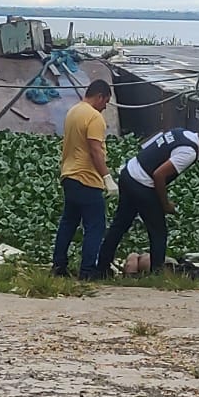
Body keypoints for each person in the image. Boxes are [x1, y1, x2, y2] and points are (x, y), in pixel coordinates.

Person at [96, 129, 199, 277]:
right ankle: (156, 274)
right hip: (142, 183)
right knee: (158, 231)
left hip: (129, 173)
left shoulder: (181, 132)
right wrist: (165, 204)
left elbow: (147, 148)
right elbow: (159, 175)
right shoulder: (189, 152)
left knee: (119, 225)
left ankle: (101, 267)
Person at [51, 80, 119, 280]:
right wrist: (107, 177)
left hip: (69, 174)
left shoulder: (73, 111)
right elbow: (95, 150)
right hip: (87, 178)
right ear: (99, 96)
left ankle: (59, 266)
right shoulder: (94, 117)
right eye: (105, 102)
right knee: (95, 226)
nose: (105, 107)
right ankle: (88, 271)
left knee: (68, 223)